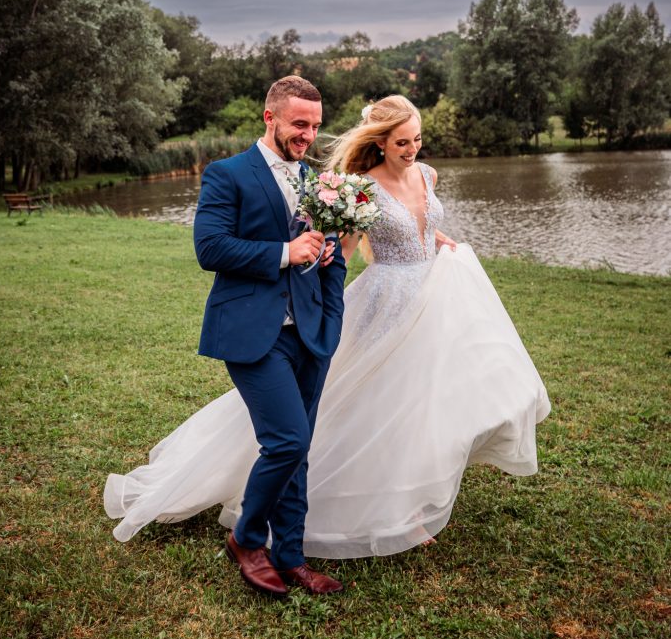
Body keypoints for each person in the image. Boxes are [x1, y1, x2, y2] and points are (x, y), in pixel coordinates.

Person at [105, 94, 550, 564]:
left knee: (424, 400)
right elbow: (335, 249)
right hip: (384, 301)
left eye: (417, 139)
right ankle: (285, 524)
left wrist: (435, 240)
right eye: (402, 141)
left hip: (432, 299)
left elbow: (403, 229)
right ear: (381, 142)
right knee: (363, 409)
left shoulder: (419, 175)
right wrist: (307, 269)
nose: (412, 148)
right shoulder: (355, 188)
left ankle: (403, 500)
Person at [105, 76, 346, 598]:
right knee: (287, 440)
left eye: (315, 126)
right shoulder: (227, 173)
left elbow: (330, 246)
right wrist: (285, 253)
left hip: (311, 332)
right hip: (252, 332)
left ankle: (291, 556)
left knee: (299, 449)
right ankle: (246, 539)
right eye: (299, 124)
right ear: (270, 117)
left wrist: (329, 280)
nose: (308, 135)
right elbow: (210, 248)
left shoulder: (318, 180)